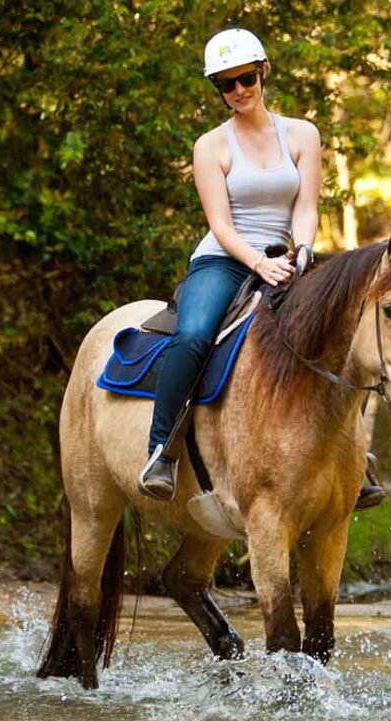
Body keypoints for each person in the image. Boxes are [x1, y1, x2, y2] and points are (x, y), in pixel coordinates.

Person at [138, 27, 321, 500]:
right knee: (194, 334)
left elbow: (305, 206)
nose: (239, 91)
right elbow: (220, 224)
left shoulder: (302, 133)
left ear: (263, 72)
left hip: (286, 255)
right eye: (226, 83)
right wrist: (259, 264)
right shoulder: (211, 146)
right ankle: (161, 450)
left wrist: (302, 250)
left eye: (245, 78)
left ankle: (355, 458)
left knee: (342, 325)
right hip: (225, 260)